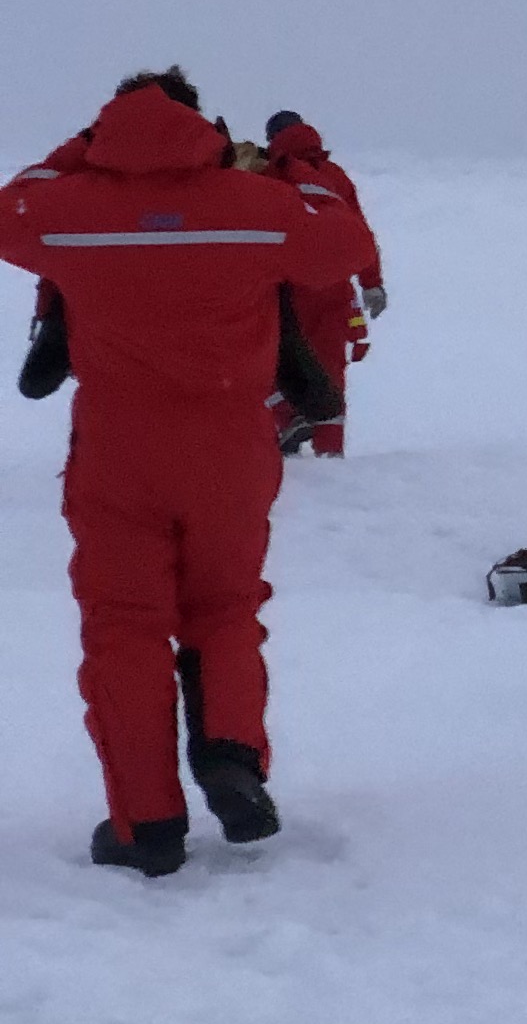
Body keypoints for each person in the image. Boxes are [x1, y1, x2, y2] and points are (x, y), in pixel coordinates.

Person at [0, 70, 345, 874]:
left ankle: (145, 824)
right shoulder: (256, 209)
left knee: (124, 628)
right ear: (205, 126)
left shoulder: (67, 209)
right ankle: (229, 751)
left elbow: (11, 203)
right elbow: (346, 239)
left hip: (120, 452)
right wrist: (286, 170)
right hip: (229, 445)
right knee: (225, 610)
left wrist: (83, 153)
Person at [262, 112, 384, 458]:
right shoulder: (335, 177)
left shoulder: (271, 175)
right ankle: (330, 457)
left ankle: (288, 422)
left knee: (268, 362)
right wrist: (372, 282)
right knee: (330, 373)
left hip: (287, 289)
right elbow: (358, 231)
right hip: (334, 289)